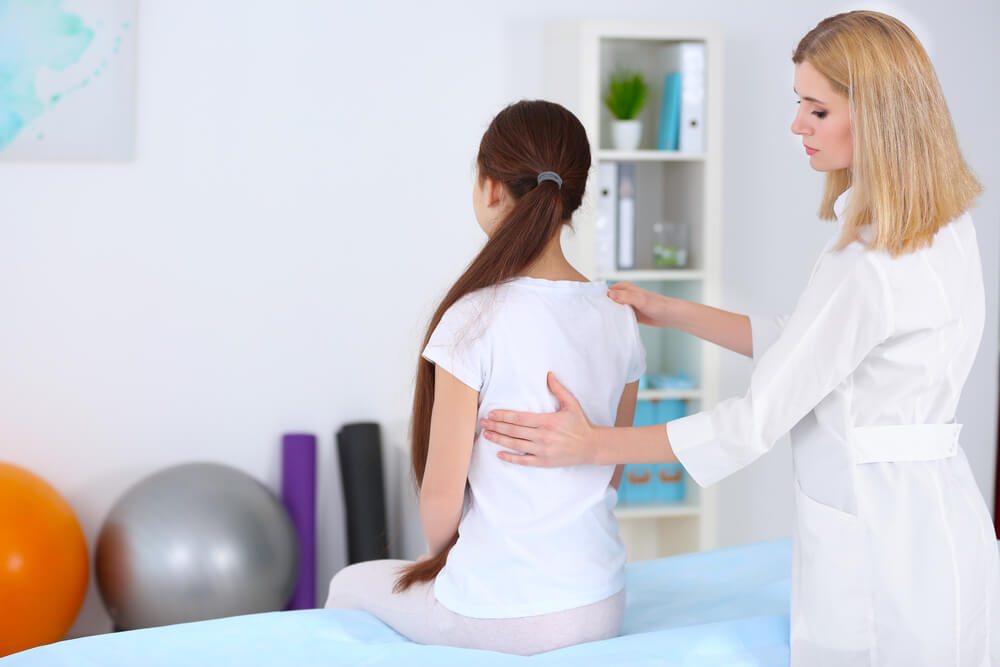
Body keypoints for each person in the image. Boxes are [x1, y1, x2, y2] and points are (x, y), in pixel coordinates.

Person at [480, 11, 1000, 666]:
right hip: (944, 519)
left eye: (816, 110)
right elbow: (811, 343)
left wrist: (592, 444)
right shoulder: (943, 228)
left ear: (878, 114)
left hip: (884, 545)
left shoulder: (869, 263)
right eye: (798, 105)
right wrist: (671, 310)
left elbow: (754, 422)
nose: (796, 126)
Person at [324, 100, 646, 655]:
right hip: (601, 603)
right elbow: (609, 473)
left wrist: (451, 562)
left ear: (489, 186)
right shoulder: (618, 313)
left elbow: (441, 502)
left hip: (497, 616)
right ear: (574, 196)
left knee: (348, 583)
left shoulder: (475, 317)